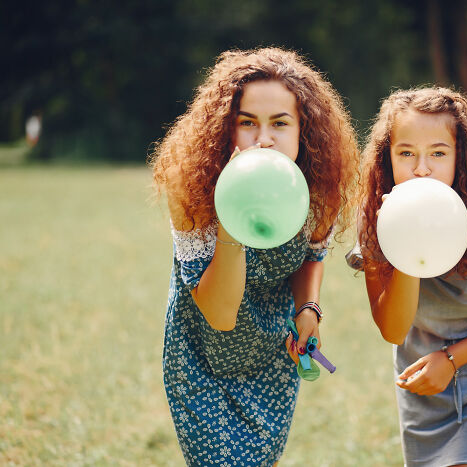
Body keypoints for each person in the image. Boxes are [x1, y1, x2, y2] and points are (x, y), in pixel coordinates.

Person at [149, 47, 359, 466]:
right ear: (227, 130)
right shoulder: (191, 192)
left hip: (270, 354)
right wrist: (233, 211)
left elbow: (312, 254)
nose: (263, 139)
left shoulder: (317, 190)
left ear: (304, 132)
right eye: (248, 124)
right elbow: (220, 314)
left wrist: (309, 308)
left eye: (280, 124)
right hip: (201, 356)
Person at [346, 86, 467, 467]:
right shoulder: (374, 223)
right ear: (387, 160)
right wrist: (402, 236)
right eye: (406, 153)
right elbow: (392, 329)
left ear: (461, 157)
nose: (421, 167)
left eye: (438, 153)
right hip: (422, 384)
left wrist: (453, 359)